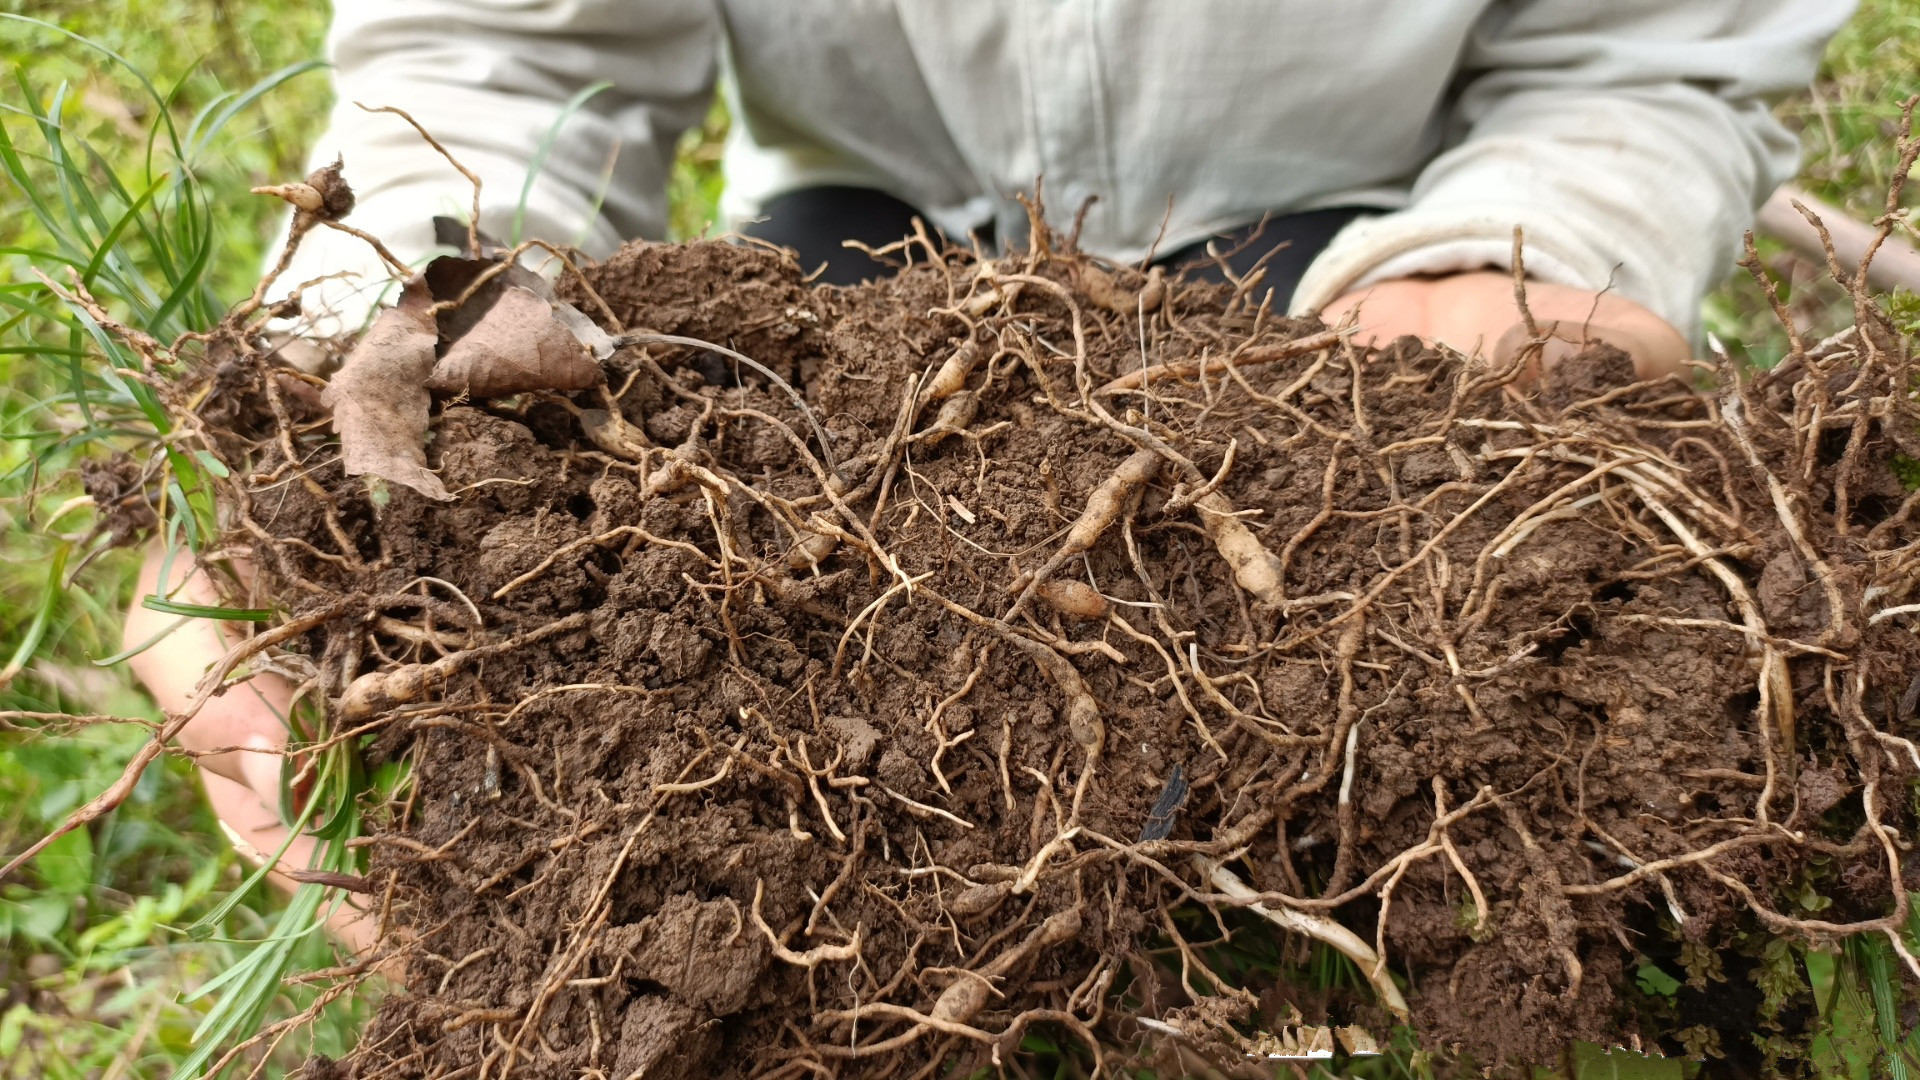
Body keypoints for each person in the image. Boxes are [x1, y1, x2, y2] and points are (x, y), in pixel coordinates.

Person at [127, 0, 1851, 951]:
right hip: (867, 259)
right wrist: (343, 386)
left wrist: (1531, 257)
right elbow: (492, 60)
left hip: (1388, 258)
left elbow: (1648, 51)